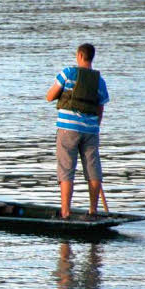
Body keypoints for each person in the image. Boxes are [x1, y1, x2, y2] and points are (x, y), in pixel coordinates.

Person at [46, 42, 109, 218]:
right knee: (93, 169)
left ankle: (65, 212)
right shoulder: (99, 81)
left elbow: (49, 96)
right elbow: (101, 107)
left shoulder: (68, 73)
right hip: (91, 130)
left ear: (80, 56)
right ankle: (93, 211)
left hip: (68, 129)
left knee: (66, 169)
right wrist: (96, 127)